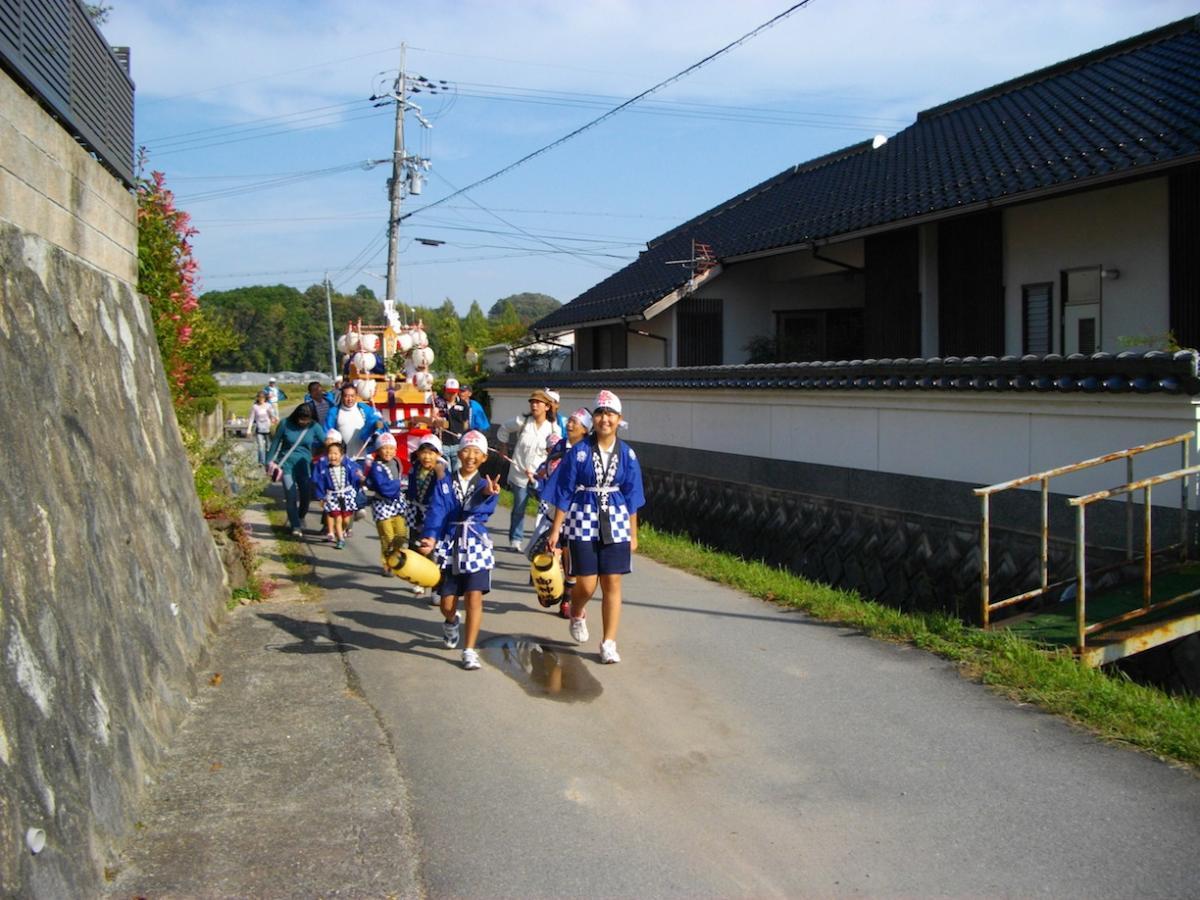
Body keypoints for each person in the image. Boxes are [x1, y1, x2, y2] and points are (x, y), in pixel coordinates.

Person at [546, 390, 644, 665]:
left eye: (610, 414)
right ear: (594, 418)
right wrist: (556, 531)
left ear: (619, 419)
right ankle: (577, 611)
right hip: (582, 517)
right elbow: (564, 491)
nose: (605, 419)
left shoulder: (627, 454)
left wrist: (633, 534)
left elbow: (633, 495)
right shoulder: (579, 452)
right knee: (587, 585)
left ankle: (609, 642)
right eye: (600, 413)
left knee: (612, 581)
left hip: (615, 518)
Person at [417, 431, 501, 670]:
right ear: (459, 453)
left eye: (477, 452)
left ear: (484, 457)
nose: (471, 456)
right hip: (450, 542)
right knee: (446, 602)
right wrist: (430, 538)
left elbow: (482, 508)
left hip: (475, 543)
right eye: (466, 450)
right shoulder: (445, 482)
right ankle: (451, 620)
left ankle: (469, 650)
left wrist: (486, 494)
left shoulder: (488, 485)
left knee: (475, 597)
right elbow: (437, 510)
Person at [528, 407, 591, 618]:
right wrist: (539, 476)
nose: (570, 424)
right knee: (550, 549)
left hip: (577, 511)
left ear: (585, 429)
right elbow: (548, 468)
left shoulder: (587, 450)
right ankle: (550, 589)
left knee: (569, 556)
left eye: (575, 422)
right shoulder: (560, 446)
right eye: (570, 420)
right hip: (555, 507)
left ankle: (568, 598)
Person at [496, 388, 559, 552]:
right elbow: (503, 428)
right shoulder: (522, 421)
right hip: (520, 472)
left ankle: (542, 539)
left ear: (547, 406)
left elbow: (557, 452)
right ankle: (516, 539)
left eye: (538, 402)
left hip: (541, 477)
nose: (534, 405)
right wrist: (503, 447)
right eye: (532, 402)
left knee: (545, 510)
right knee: (519, 506)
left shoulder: (553, 428)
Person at [265, 404, 326, 536]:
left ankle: (301, 516)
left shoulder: (314, 426)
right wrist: (268, 461)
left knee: (305, 496)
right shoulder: (285, 423)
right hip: (286, 464)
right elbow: (275, 443)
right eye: (301, 419)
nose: (303, 422)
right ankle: (295, 525)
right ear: (296, 416)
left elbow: (326, 442)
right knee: (290, 495)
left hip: (305, 465)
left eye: (306, 420)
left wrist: (321, 456)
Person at [365, 432, 409, 575]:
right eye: (384, 448)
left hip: (397, 503)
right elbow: (384, 488)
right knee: (387, 536)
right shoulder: (376, 467)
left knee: (401, 534)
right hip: (382, 504)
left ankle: (394, 556)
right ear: (378, 450)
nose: (388, 451)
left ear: (395, 450)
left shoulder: (397, 462)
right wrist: (399, 484)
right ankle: (387, 563)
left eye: (391, 448)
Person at [311, 436, 364, 549]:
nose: (333, 456)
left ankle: (342, 530)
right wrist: (321, 497)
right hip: (332, 497)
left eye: (336, 453)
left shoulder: (347, 467)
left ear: (342, 456)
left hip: (346, 496)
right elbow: (321, 484)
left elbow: (354, 478)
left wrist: (360, 479)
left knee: (346, 519)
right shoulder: (325, 470)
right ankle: (340, 539)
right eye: (330, 453)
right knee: (338, 518)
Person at [324, 383, 385, 459]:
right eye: (346, 396)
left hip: (364, 456)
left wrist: (378, 425)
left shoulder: (364, 408)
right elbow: (327, 432)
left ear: (356, 395)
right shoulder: (334, 412)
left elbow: (376, 421)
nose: (350, 399)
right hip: (343, 458)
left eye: (352, 396)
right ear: (342, 396)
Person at [248, 390, 275, 465]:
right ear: (257, 398)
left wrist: (273, 419)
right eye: (259, 397)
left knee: (268, 446)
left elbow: (272, 415)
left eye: (262, 397)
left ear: (265, 398)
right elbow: (251, 419)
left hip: (267, 429)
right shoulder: (255, 407)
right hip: (259, 429)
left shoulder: (268, 405)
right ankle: (261, 462)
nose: (261, 399)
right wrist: (249, 430)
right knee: (260, 447)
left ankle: (268, 460)